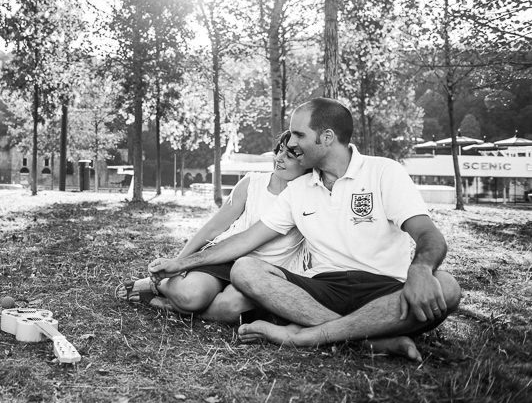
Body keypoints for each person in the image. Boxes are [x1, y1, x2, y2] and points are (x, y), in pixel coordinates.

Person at [150, 98, 462, 361]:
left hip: (384, 290)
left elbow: (428, 235)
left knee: (446, 286)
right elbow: (245, 240)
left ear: (326, 138)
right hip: (322, 290)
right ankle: (366, 340)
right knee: (245, 269)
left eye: (299, 134)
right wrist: (183, 263)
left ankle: (307, 336)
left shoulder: (384, 172)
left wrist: (421, 269)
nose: (292, 142)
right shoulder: (299, 189)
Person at [115, 131, 310, 321]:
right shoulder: (252, 183)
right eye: (280, 150)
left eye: (290, 155)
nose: (280, 158)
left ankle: (169, 305)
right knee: (191, 295)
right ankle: (157, 285)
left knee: (231, 308)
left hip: (260, 271)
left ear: (307, 163)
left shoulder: (308, 196)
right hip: (223, 257)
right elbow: (214, 227)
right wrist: (177, 263)